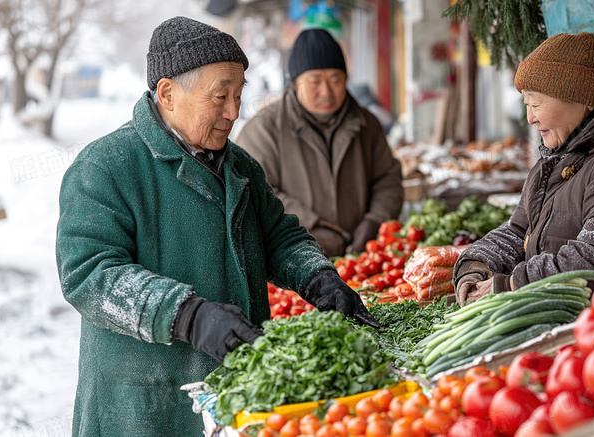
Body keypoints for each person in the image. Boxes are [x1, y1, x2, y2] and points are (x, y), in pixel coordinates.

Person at [56, 17, 378, 436]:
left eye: (239, 94)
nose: (234, 111)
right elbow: (89, 275)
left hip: (236, 392)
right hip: (144, 405)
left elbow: (278, 235)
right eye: (220, 96)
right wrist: (186, 315)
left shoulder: (240, 165)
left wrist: (319, 278)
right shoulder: (105, 167)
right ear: (168, 93)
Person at [453, 32, 594, 305]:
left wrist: (510, 284)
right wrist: (477, 266)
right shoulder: (556, 159)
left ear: (585, 98)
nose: (530, 118)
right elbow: (517, 233)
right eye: (526, 104)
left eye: (537, 103)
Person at [237, 28, 403, 257]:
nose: (326, 91)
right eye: (315, 81)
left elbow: (388, 178)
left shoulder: (366, 123)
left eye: (335, 80)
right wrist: (317, 228)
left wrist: (375, 219)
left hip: (362, 259)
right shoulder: (263, 130)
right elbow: (255, 193)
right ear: (294, 83)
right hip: (293, 264)